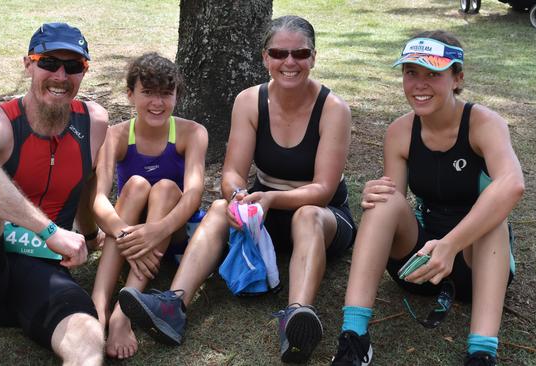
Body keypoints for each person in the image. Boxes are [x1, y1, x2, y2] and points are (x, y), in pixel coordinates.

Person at [117, 15, 356, 364]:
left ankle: (296, 316)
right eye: (279, 53)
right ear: (265, 58)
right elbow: (232, 172)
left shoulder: (333, 109)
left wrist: (273, 197)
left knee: (306, 215)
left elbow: (322, 189)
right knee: (216, 210)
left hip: (324, 217)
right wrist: (238, 195)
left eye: (300, 53)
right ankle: (174, 305)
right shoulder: (249, 101)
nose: (289, 62)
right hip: (265, 213)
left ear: (313, 57)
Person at [329, 30, 524, 366]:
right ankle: (354, 337)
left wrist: (450, 244)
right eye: (411, 73)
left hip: (475, 267)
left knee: (495, 211)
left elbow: (513, 184)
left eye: (433, 74)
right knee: (384, 198)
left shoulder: (483, 123)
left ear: (457, 78)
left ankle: (481, 352)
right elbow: (395, 203)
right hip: (419, 268)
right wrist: (376, 194)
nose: (419, 85)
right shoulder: (401, 131)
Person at [0, 22, 109, 366]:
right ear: (28, 64)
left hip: (46, 274)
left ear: (83, 72)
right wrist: (50, 231)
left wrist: (90, 234)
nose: (61, 75)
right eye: (48, 62)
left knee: (88, 340)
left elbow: (88, 184)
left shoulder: (95, 122)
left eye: (73, 67)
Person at [89, 52, 207, 359]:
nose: (157, 103)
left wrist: (157, 230)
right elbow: (98, 198)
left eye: (166, 94)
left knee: (167, 188)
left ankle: (122, 313)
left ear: (177, 96)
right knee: (137, 185)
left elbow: (194, 193)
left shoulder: (192, 132)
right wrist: (125, 233)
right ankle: (98, 306)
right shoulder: (115, 136)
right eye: (148, 93)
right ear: (130, 94)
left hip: (173, 232)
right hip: (130, 239)